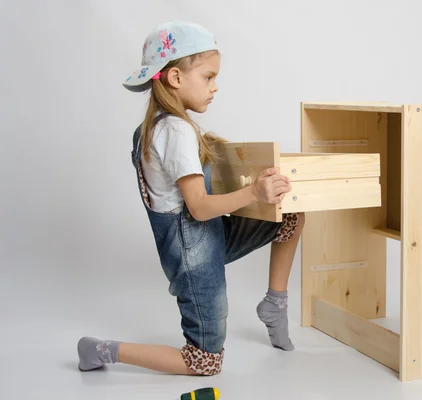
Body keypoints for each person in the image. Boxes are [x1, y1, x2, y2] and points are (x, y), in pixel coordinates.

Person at [76, 20, 304, 376]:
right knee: (205, 361)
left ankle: (275, 304)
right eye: (208, 77)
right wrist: (254, 192)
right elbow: (197, 207)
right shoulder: (178, 132)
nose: (215, 87)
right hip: (193, 253)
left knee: (290, 216)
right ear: (176, 78)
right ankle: (102, 350)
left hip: (203, 239)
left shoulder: (154, 128)